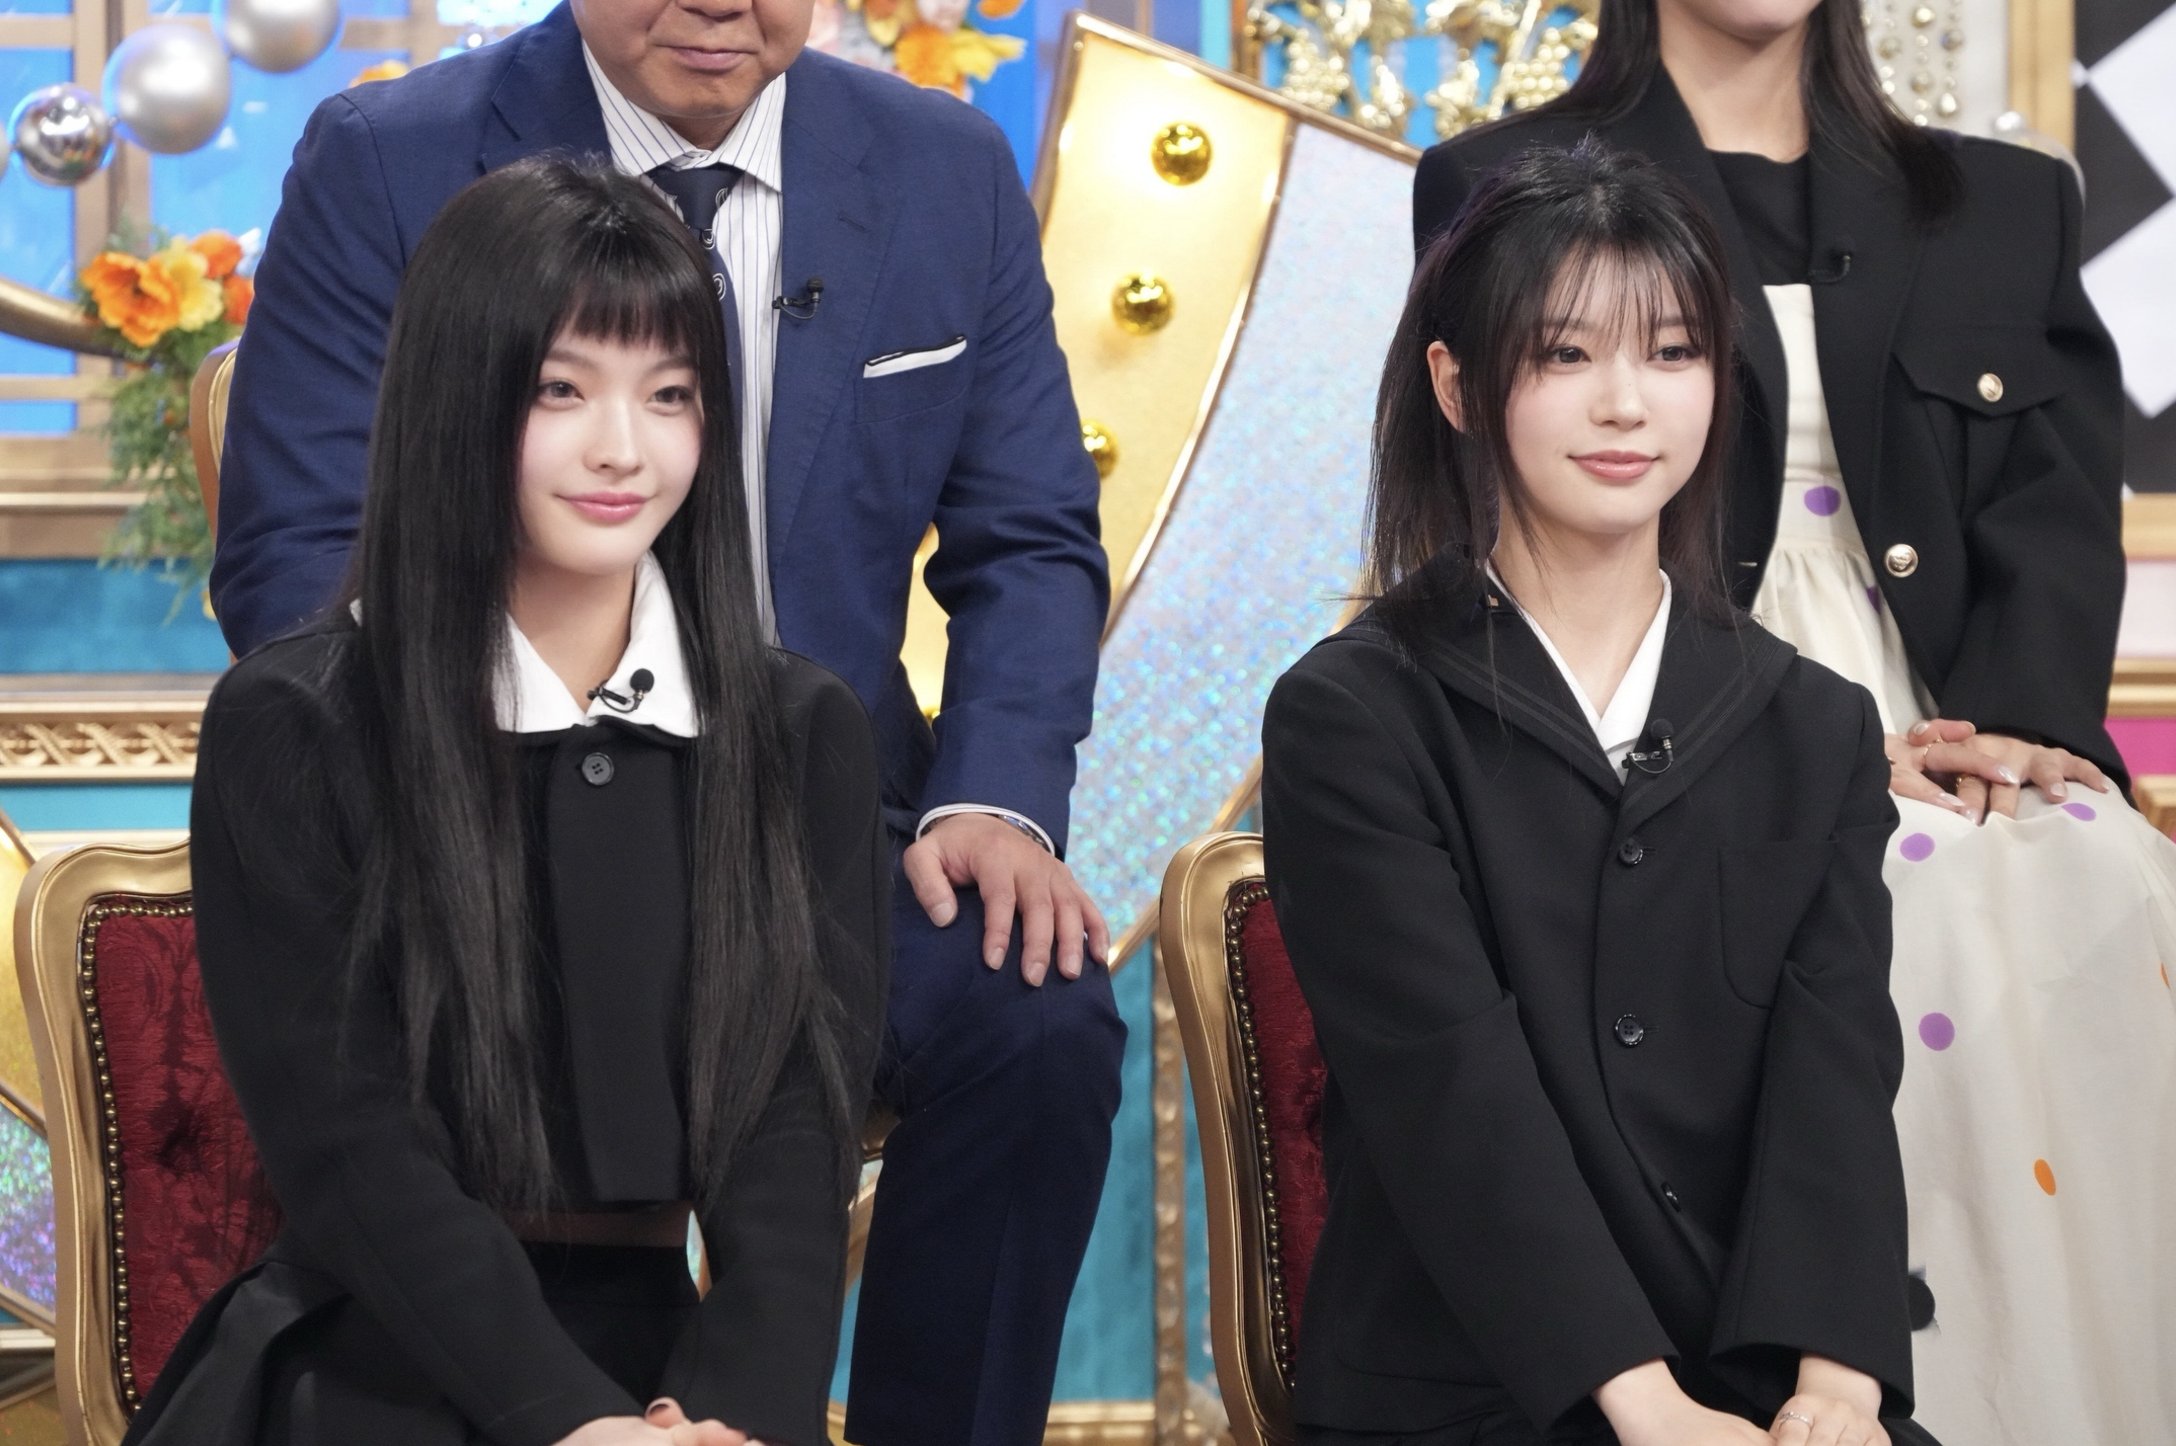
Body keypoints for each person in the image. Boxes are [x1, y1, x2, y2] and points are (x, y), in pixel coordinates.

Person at [207, 1, 1125, 1439]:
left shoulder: (944, 164)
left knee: (1038, 1011)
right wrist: (495, 769)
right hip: (476, 812)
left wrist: (992, 800)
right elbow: (296, 545)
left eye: (668, 396)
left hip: (813, 825)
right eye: (565, 391)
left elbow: (1031, 537)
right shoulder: (387, 154)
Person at [1413, 5, 2176, 1441]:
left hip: (1953, 727)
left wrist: (2012, 732)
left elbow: (2056, 515)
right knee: (1891, 886)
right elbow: (1521, 528)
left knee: (2082, 872)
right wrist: (1797, 754)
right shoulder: (1505, 182)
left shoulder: (2008, 200)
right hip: (1672, 725)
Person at [129, 159, 883, 1446]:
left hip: (681, 1375)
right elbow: (351, 1147)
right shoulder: (298, 724)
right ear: (457, 398)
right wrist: (572, 1425)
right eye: (559, 390)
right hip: (377, 1356)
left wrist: (737, 1412)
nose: (622, 448)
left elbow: (794, 1128)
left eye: (670, 395)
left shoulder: (796, 730)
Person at [1263, 140, 1938, 1446]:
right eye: (1566, 354)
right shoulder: (1353, 715)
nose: (1627, 404)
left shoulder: (1816, 724)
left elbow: (1835, 1075)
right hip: (1475, 1385)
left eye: (1673, 353)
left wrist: (1836, 1385)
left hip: (1753, 1366)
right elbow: (1449, 1091)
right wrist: (1642, 1404)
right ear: (1457, 384)